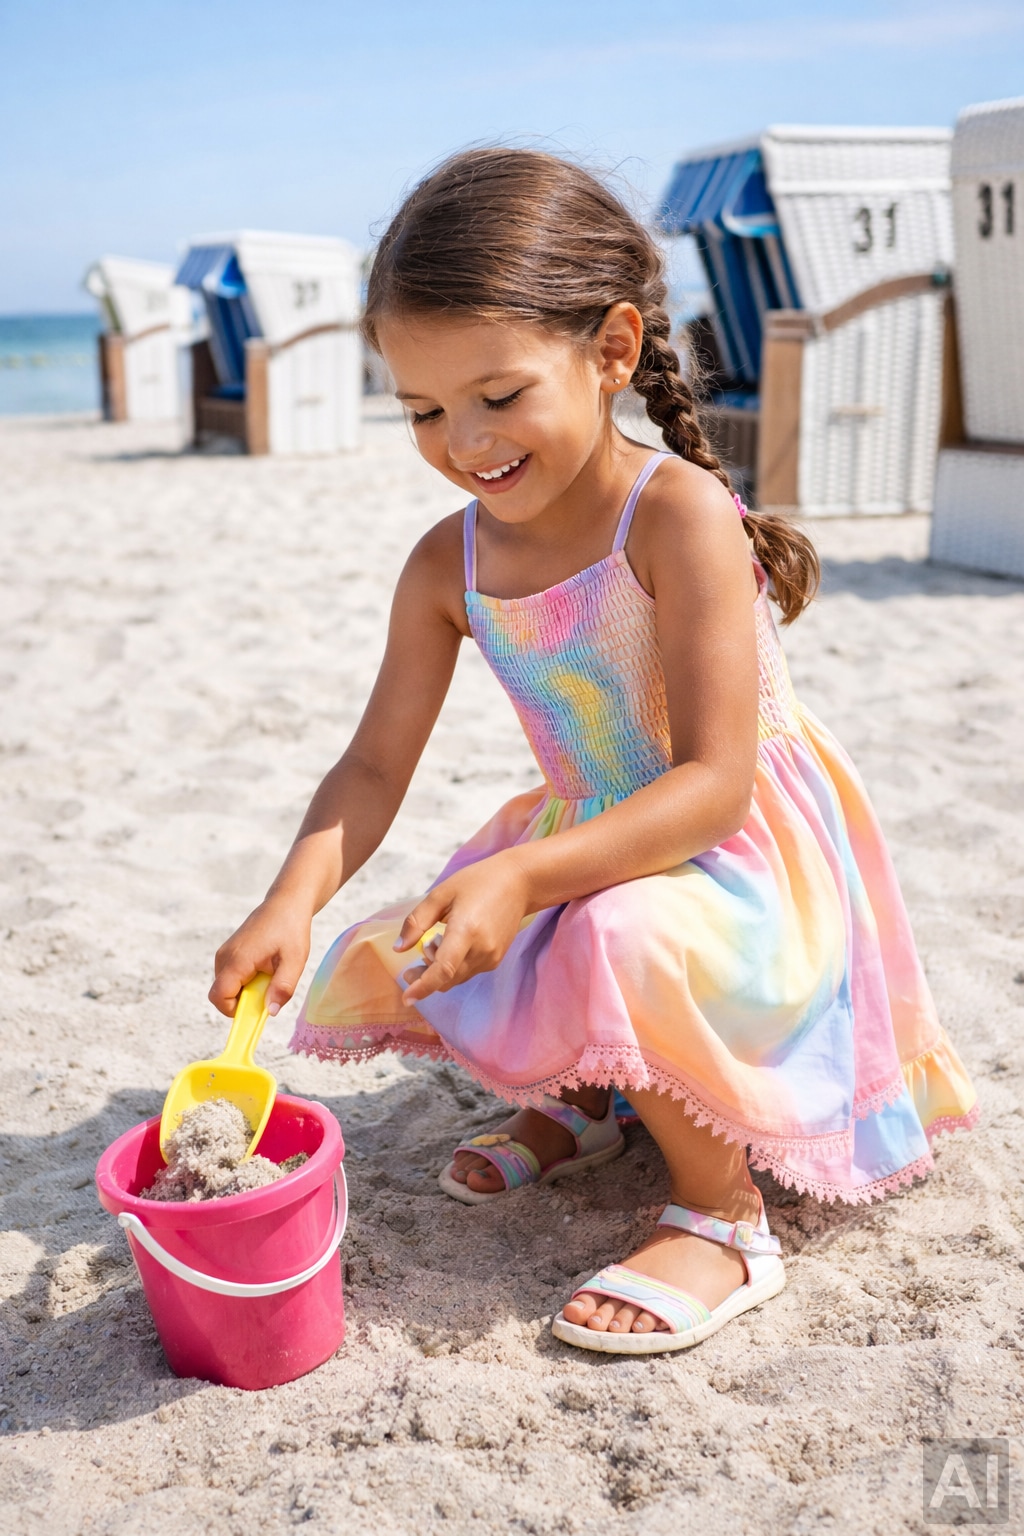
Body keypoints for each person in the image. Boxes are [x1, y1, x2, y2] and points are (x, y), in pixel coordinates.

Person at [210, 148, 977, 1354]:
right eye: (420, 409)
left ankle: (724, 1218)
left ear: (612, 350)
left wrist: (524, 878)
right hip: (592, 825)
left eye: (497, 396)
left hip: (730, 846)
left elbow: (715, 787)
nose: (462, 441)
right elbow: (370, 767)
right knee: (448, 926)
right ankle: (598, 1102)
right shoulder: (444, 565)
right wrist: (289, 901)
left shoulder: (670, 516)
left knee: (604, 926)